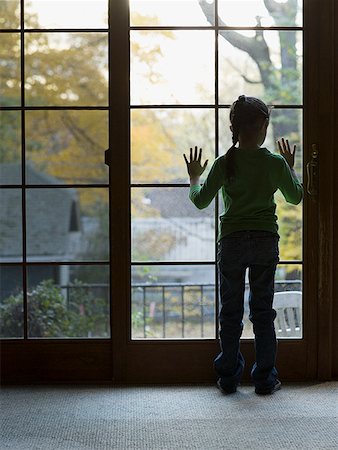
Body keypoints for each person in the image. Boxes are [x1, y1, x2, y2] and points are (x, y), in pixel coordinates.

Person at [183, 95, 303, 395]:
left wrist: (195, 176)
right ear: (264, 125)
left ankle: (228, 376)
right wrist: (289, 167)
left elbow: (199, 201)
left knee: (230, 311)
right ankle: (264, 378)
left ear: (234, 127)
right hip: (265, 241)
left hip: (232, 241)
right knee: (262, 312)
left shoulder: (225, 163)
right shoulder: (274, 163)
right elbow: (295, 197)